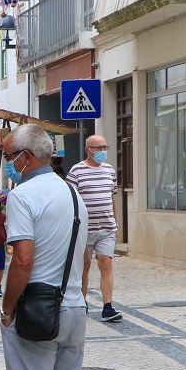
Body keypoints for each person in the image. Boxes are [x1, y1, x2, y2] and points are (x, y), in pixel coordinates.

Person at [0, 123, 89, 370]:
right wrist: (76, 295)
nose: (7, 166)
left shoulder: (22, 196)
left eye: (8, 158)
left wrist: (7, 308)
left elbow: (22, 260)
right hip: (73, 309)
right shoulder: (74, 194)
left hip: (36, 314)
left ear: (26, 157)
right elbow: (84, 258)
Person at [66, 135, 122, 322]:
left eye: (105, 147)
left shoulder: (109, 170)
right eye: (98, 148)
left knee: (106, 263)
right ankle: (81, 302)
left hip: (106, 227)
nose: (102, 151)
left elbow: (111, 197)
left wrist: (114, 221)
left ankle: (108, 306)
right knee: (84, 265)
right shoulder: (77, 171)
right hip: (83, 229)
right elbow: (70, 200)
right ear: (88, 149)